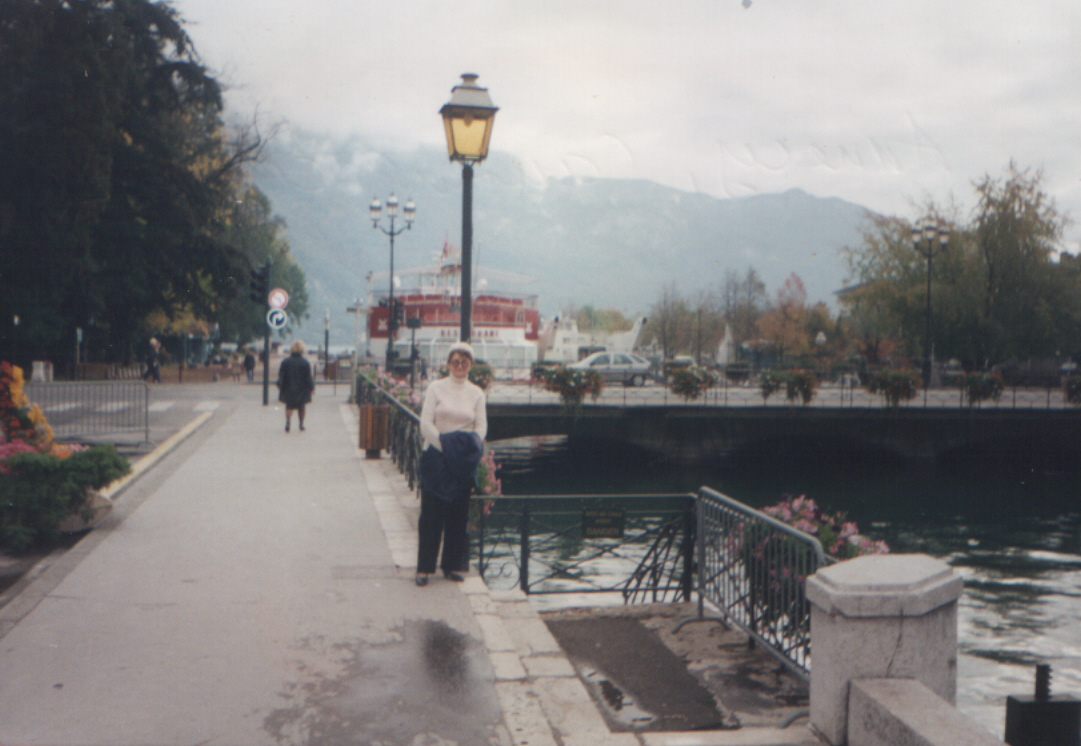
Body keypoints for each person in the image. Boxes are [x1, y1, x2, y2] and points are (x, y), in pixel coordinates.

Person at [415, 342, 487, 586]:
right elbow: (426, 424)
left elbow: (481, 427)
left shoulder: (477, 393)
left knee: (458, 516)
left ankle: (451, 566)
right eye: (455, 361)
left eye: (464, 362)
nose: (459, 366)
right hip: (436, 457)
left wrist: (467, 450)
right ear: (448, 364)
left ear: (470, 365)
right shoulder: (435, 388)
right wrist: (446, 448)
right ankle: (424, 569)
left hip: (462, 461)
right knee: (431, 516)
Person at [276, 340, 314, 432]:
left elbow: (281, 375)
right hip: (302, 388)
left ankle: (288, 422)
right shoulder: (305, 362)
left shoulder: (285, 362)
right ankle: (301, 424)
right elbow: (308, 377)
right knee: (301, 407)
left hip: (289, 387)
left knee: (289, 406)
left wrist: (280, 385)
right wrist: (311, 388)